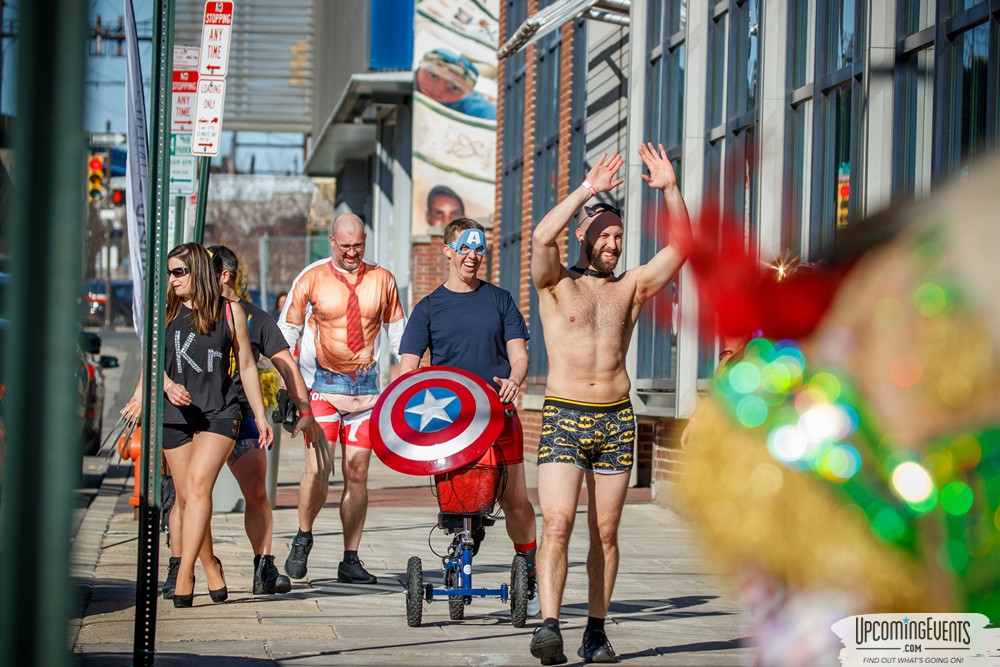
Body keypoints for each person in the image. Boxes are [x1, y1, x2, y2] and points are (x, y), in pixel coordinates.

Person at [528, 145, 692, 664]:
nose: (613, 244)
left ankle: (595, 632)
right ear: (583, 235)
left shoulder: (631, 288)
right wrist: (587, 190)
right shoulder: (556, 284)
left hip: (616, 419)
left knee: (605, 532)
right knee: (557, 523)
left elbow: (683, 246)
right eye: (604, 235)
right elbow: (540, 237)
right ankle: (549, 626)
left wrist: (670, 189)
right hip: (564, 415)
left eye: (619, 237)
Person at [398, 218, 540, 615]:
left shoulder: (500, 300)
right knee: (459, 501)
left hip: (499, 413)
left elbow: (520, 355)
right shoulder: (428, 308)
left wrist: (515, 379)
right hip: (451, 423)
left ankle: (529, 572)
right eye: (464, 248)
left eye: (479, 249)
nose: (472, 256)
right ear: (447, 250)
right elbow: (408, 369)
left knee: (515, 500)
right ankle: (465, 541)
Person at [122, 243, 274, 608]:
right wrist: (164, 387)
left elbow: (247, 366)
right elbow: (152, 359)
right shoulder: (166, 310)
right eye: (169, 273)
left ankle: (185, 572)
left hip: (219, 413)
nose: (172, 280)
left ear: (198, 272)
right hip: (175, 416)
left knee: (198, 485)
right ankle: (211, 566)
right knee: (188, 498)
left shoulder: (230, 311)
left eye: (179, 272)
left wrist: (259, 415)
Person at [278, 213, 406, 584]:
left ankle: (350, 558)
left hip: (365, 395)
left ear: (365, 241)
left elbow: (400, 337)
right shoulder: (311, 277)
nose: (352, 253)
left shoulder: (382, 280)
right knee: (319, 469)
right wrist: (290, 389)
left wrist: (410, 381)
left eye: (358, 246)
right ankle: (303, 537)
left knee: (357, 473)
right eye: (345, 246)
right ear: (332, 242)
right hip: (320, 390)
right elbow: (285, 334)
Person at [415, 48, 497, 120]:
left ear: (464, 93)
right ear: (419, 70)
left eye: (454, 88)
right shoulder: (409, 83)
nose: (439, 90)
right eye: (433, 76)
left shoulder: (473, 107)